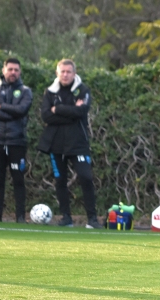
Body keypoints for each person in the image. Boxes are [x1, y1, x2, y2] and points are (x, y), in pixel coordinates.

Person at [37, 59, 100, 228]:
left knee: (86, 178)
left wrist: (57, 109)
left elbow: (81, 112)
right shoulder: (50, 92)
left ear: (74, 73)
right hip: (56, 144)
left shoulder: (83, 90)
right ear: (58, 73)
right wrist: (70, 109)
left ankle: (92, 219)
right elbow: (45, 116)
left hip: (78, 143)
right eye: (62, 72)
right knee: (60, 181)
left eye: (68, 72)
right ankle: (66, 218)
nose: (65, 75)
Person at [0, 58, 33, 223]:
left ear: (20, 72)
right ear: (4, 70)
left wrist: (3, 107)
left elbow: (22, 110)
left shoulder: (26, 91)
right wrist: (12, 114)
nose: (13, 72)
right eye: (10, 69)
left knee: (18, 180)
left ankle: (20, 217)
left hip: (17, 142)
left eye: (16, 70)